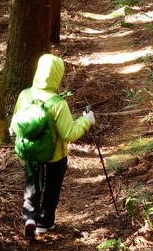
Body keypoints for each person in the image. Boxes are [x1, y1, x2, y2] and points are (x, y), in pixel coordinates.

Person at [12, 53, 95, 239]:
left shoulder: (24, 95)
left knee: (32, 183)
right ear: (57, 75)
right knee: (52, 186)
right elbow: (69, 134)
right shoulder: (58, 103)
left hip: (30, 151)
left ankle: (30, 218)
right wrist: (86, 120)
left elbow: (16, 123)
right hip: (55, 155)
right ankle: (45, 221)